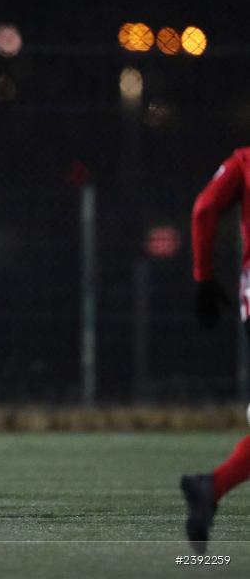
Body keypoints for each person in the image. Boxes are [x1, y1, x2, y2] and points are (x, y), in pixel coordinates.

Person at [182, 146, 250, 553]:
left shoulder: (245, 160)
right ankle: (211, 487)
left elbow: (204, 208)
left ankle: (211, 488)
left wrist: (204, 276)